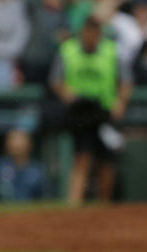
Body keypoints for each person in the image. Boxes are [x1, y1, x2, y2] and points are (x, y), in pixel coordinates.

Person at [49, 15, 132, 205]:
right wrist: (67, 93)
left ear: (99, 34)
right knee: (82, 157)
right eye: (87, 33)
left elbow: (126, 82)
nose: (90, 38)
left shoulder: (111, 51)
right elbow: (56, 81)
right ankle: (74, 204)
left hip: (105, 112)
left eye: (94, 34)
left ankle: (104, 205)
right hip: (81, 112)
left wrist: (121, 102)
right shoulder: (68, 49)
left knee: (106, 162)